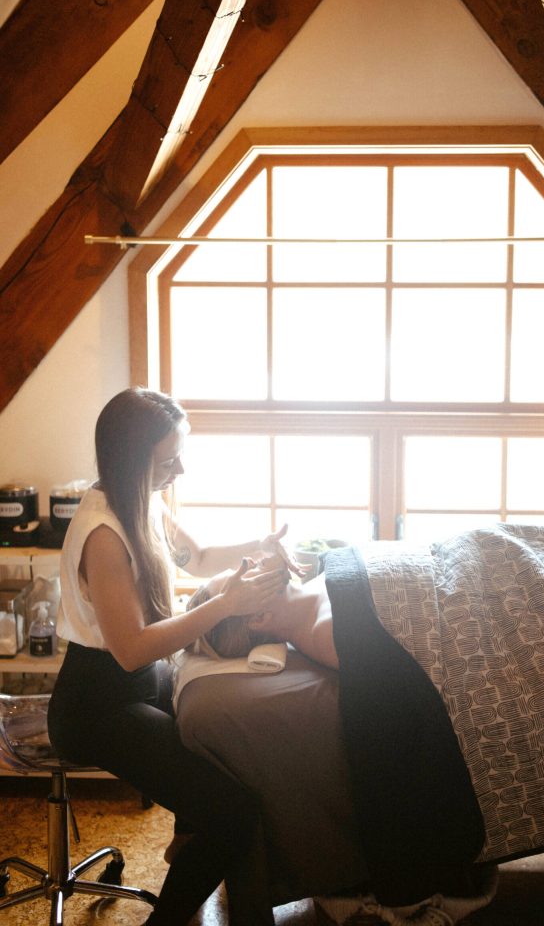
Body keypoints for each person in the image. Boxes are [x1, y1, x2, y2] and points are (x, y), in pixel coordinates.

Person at [47, 387, 300, 926]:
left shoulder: (143, 500)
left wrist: (264, 544)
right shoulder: (104, 534)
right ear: (134, 459)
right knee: (233, 814)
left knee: (221, 748)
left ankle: (194, 854)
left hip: (135, 683)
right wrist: (226, 605)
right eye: (169, 460)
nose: (180, 469)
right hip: (97, 703)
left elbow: (200, 555)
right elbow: (133, 649)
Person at [187, 552, 338, 669]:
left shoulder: (317, 583)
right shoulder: (329, 632)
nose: (249, 561)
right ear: (259, 618)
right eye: (238, 580)